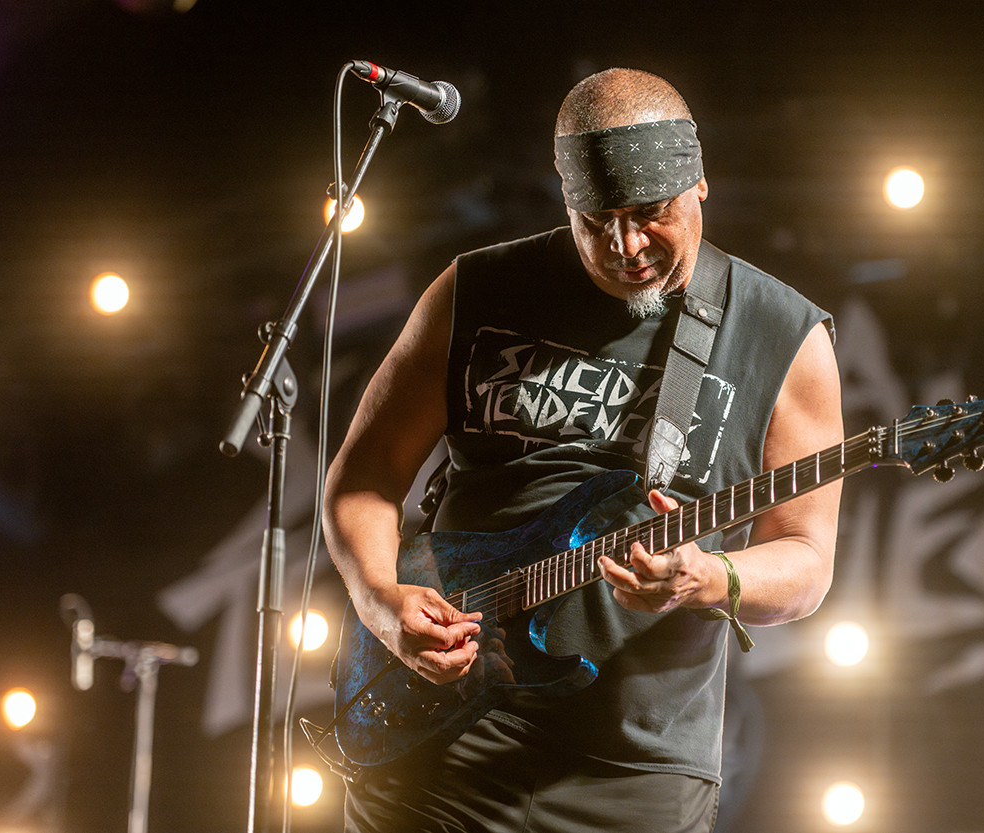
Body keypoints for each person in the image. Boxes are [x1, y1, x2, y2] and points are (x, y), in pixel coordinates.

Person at [322, 67, 843, 833]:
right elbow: (365, 474)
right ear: (565, 201)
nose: (625, 246)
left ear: (699, 184)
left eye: (650, 215)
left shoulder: (783, 335)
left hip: (635, 768)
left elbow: (806, 557)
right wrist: (379, 598)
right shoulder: (477, 290)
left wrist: (708, 576)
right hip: (438, 746)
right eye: (596, 221)